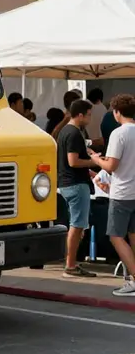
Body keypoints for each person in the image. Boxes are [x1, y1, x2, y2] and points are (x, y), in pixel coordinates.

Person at [89, 93, 135, 296]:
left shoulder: (119, 134)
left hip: (122, 192)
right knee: (133, 235)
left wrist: (96, 159)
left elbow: (111, 165)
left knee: (116, 236)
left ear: (117, 112)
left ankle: (134, 279)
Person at [56, 98, 99, 278]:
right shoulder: (74, 133)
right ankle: (71, 265)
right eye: (88, 115)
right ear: (80, 115)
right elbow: (73, 161)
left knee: (76, 225)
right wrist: (95, 161)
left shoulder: (66, 131)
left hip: (67, 182)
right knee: (77, 225)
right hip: (75, 184)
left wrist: (90, 172)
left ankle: (71, 262)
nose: (90, 118)